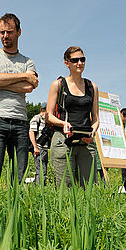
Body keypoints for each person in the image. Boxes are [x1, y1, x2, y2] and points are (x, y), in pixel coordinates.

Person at [0, 13, 38, 185]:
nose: (5, 36)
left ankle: (15, 210)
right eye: (2, 32)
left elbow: (29, 87)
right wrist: (22, 76)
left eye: (9, 32)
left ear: (19, 32)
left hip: (20, 121)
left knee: (19, 175)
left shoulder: (28, 61)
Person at [46, 46, 99, 188]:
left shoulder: (92, 87)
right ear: (66, 63)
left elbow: (95, 118)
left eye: (82, 59)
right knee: (65, 187)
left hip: (86, 141)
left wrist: (92, 131)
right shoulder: (58, 85)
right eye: (75, 60)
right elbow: (48, 115)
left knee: (89, 188)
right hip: (63, 140)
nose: (79, 63)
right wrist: (63, 123)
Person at [29, 102, 49, 185]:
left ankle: (41, 187)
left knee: (44, 170)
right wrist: (35, 147)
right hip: (39, 148)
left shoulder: (46, 120)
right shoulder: (37, 118)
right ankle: (39, 189)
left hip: (45, 148)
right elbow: (31, 132)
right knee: (41, 170)